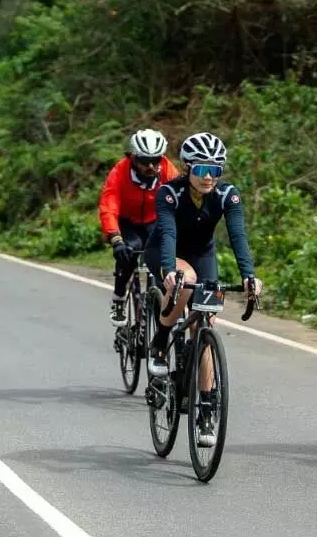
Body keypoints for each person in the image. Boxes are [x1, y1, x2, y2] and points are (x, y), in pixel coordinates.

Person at [145, 132, 262, 447]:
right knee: (186, 279)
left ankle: (206, 407)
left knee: (205, 325)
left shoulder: (227, 195)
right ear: (187, 168)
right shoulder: (170, 192)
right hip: (165, 252)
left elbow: (238, 235)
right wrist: (169, 269)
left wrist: (249, 276)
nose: (208, 177)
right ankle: (160, 340)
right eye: (200, 170)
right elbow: (167, 231)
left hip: (203, 254)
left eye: (215, 170)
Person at [98, 128, 180, 326]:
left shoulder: (167, 170)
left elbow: (180, 200)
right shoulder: (120, 171)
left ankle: (163, 300)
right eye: (144, 161)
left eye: (155, 160)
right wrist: (115, 238)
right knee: (129, 250)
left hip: (154, 219)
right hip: (127, 222)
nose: (150, 166)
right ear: (133, 158)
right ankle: (118, 298)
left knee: (164, 254)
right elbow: (109, 205)